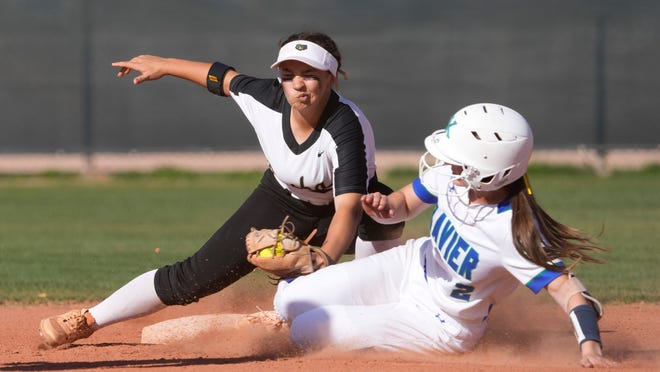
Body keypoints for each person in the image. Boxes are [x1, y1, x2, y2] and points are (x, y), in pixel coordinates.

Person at [38, 31, 403, 348]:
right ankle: (88, 319)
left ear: (333, 77)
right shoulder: (265, 96)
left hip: (349, 211)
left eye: (310, 75)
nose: (298, 84)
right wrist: (164, 64)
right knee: (193, 278)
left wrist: (324, 259)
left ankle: (360, 320)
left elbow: (348, 209)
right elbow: (222, 78)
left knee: (372, 238)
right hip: (280, 197)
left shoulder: (345, 129)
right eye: (289, 74)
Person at [273, 103, 617, 368]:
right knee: (288, 301)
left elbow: (570, 292)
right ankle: (369, 316)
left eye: (458, 160)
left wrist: (591, 348)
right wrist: (387, 206)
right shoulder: (454, 178)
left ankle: (372, 328)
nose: (448, 164)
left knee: (305, 330)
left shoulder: (512, 231)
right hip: (408, 266)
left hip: (440, 323)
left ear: (489, 172)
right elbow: (406, 201)